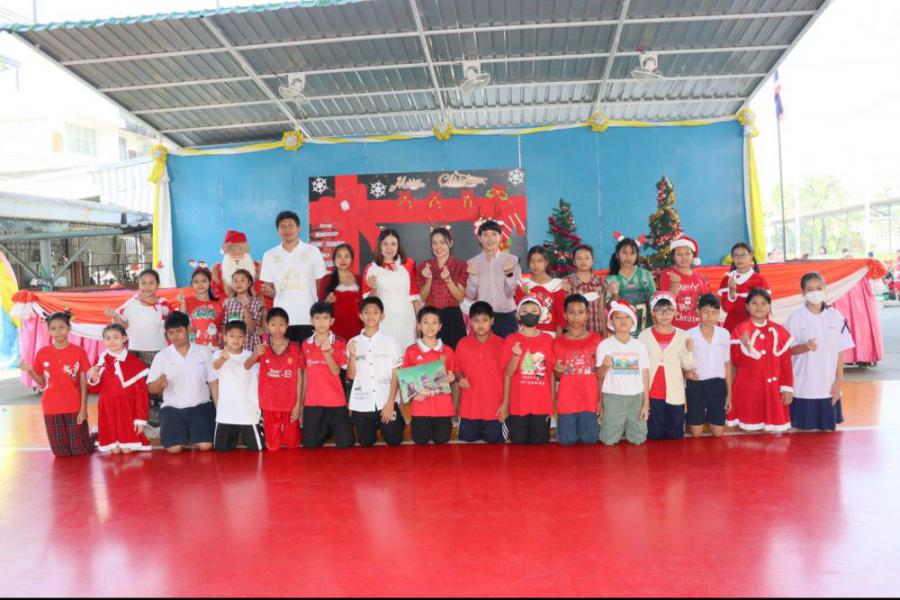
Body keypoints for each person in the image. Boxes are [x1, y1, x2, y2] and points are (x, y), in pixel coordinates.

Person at [105, 268, 174, 430]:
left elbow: (172, 327)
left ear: (158, 284)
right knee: (138, 389)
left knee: (160, 386)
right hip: (135, 354)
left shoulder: (164, 304)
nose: (147, 286)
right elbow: (123, 325)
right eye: (143, 283)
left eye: (151, 283)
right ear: (138, 285)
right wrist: (114, 316)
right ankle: (140, 422)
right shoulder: (131, 303)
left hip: (159, 353)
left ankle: (162, 424)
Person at [785, 272, 854, 431]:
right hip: (802, 387)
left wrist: (839, 381)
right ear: (802, 292)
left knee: (827, 436)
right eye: (810, 289)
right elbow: (788, 351)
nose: (815, 292)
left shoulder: (835, 316)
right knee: (800, 436)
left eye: (818, 288)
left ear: (825, 289)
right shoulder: (795, 317)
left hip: (828, 387)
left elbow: (840, 351)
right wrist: (806, 347)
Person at [19, 312, 93, 456]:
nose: (58, 331)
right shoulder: (42, 353)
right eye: (53, 328)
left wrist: (83, 409)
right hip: (51, 407)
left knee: (80, 450)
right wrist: (29, 371)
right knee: (61, 453)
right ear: (48, 331)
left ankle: (93, 437)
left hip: (74, 407)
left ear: (69, 328)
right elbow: (42, 382)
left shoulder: (79, 352)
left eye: (61, 327)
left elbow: (84, 384)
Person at [147, 311, 219, 453]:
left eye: (179, 331)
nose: (175, 336)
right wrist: (159, 385)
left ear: (189, 329)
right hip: (172, 408)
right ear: (166, 335)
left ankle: (193, 432)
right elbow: (151, 388)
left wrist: (219, 412)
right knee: (173, 449)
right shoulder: (162, 356)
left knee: (205, 446)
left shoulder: (204, 352)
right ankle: (183, 432)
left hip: (201, 407)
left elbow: (213, 383)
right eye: (171, 332)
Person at [726, 288, 793, 433]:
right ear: (747, 306)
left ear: (769, 306)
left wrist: (787, 388)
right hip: (749, 388)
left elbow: (786, 363)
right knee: (748, 430)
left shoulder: (779, 331)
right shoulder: (740, 329)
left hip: (773, 389)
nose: (759, 307)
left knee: (770, 433)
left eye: (763, 303)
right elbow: (736, 360)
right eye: (754, 303)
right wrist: (746, 346)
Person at [259, 211, 327, 344]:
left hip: (309, 317)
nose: (287, 230)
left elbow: (321, 284)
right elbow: (266, 289)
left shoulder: (312, 251)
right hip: (282, 320)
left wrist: (321, 313)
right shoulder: (269, 255)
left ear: (299, 228)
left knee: (309, 355)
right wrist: (270, 293)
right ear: (278, 230)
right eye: (283, 227)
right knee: (285, 356)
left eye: (291, 226)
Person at [346, 297, 406, 447]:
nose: (371, 316)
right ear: (360, 316)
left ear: (382, 316)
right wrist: (352, 355)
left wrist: (390, 402)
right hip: (363, 402)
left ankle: (397, 419)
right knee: (366, 442)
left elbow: (396, 375)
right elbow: (351, 376)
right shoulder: (353, 342)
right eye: (367, 312)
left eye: (375, 312)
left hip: (385, 400)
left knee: (394, 440)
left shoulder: (391, 342)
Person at [86, 324, 151, 453]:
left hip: (127, 409)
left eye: (116, 337)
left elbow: (141, 394)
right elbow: (94, 390)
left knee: (127, 450)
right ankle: (99, 433)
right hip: (107, 408)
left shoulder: (134, 362)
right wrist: (93, 378)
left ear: (124, 338)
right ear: (103, 341)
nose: (112, 341)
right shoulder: (100, 361)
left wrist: (140, 419)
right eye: (107, 338)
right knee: (114, 450)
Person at [638, 291, 694, 440]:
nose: (664, 314)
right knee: (654, 435)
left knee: (675, 435)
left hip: (675, 393)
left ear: (675, 312)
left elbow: (688, 366)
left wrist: (688, 351)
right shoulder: (644, 336)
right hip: (652, 393)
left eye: (669, 310)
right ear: (652, 312)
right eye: (659, 310)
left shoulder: (683, 336)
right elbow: (640, 366)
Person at [500, 297, 556, 445]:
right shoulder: (511, 339)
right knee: (518, 442)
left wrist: (552, 402)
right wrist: (515, 356)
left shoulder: (548, 339)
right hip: (518, 404)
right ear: (518, 315)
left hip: (541, 404)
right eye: (524, 311)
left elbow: (550, 373)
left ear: (540, 314)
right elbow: (508, 373)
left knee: (539, 444)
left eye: (534, 311)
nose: (529, 314)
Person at [247, 307, 303, 450]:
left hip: (290, 404)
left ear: (287, 325)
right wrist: (255, 354)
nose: (277, 329)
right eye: (273, 324)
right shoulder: (262, 348)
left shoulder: (295, 348)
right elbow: (247, 365)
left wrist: (299, 404)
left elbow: (300, 378)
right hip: (269, 404)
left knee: (292, 444)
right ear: (267, 325)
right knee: (272, 446)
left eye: (281, 324)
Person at [399, 306, 457, 445]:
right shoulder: (411, 351)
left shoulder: (448, 351)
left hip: (442, 407)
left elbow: (451, 375)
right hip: (421, 406)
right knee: (420, 441)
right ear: (419, 326)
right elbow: (406, 380)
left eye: (434, 322)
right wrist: (414, 393)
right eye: (426, 322)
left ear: (440, 326)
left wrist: (451, 378)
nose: (430, 326)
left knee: (442, 440)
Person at [596, 300, 650, 445]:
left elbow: (645, 375)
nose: (623, 321)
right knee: (608, 440)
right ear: (611, 321)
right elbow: (599, 376)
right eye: (618, 317)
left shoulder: (640, 346)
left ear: (633, 321)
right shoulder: (604, 345)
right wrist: (605, 366)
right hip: (613, 398)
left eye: (627, 317)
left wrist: (646, 404)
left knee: (639, 439)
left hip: (636, 398)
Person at [300, 302, 353, 449]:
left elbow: (336, 372)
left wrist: (327, 354)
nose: (321, 322)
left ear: (332, 320)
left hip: (335, 400)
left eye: (325, 318)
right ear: (311, 321)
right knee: (309, 444)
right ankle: (326, 429)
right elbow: (305, 374)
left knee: (346, 443)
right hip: (313, 401)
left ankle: (330, 427)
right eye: (317, 318)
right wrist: (302, 402)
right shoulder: (305, 344)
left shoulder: (339, 342)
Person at [552, 294, 602, 445]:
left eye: (580, 312)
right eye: (572, 312)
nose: (576, 317)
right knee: (566, 441)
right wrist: (558, 371)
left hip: (590, 400)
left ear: (587, 315)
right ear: (565, 315)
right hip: (566, 401)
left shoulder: (597, 340)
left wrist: (601, 400)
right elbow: (556, 376)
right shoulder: (557, 342)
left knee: (590, 440)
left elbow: (601, 374)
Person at [362, 228, 421, 352]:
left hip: (406, 318)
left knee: (406, 352)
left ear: (398, 246)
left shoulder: (409, 264)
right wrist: (373, 288)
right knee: (385, 353)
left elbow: (415, 296)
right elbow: (369, 304)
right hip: (384, 319)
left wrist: (419, 321)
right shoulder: (371, 268)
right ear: (379, 245)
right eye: (385, 244)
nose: (389, 248)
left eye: (393, 244)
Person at [455, 301, 506, 443]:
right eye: (476, 320)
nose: (480, 324)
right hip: (470, 407)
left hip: (495, 408)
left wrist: (506, 404)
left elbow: (509, 377)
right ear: (470, 322)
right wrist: (460, 378)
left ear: (492, 321)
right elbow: (457, 369)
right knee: (468, 437)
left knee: (494, 439)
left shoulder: (502, 344)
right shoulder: (462, 343)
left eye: (485, 320)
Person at [211, 320, 264, 452]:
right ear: (224, 337)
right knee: (221, 449)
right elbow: (215, 368)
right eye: (231, 336)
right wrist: (223, 358)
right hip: (226, 413)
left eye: (240, 336)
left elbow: (247, 366)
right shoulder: (218, 354)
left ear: (245, 338)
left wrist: (256, 355)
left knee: (256, 448)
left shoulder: (251, 355)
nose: (235, 340)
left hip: (248, 412)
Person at [685, 294, 732, 437]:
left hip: (718, 385)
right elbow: (682, 363)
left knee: (718, 433)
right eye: (705, 312)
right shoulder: (688, 335)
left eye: (714, 312)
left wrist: (729, 394)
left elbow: (727, 364)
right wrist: (686, 375)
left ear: (718, 314)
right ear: (697, 312)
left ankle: (708, 417)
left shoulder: (724, 334)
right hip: (696, 385)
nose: (709, 316)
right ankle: (696, 419)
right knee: (696, 433)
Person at [466, 220, 522, 337]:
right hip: (483, 317)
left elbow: (510, 293)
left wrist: (508, 273)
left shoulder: (512, 260)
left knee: (510, 347)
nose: (490, 239)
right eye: (485, 235)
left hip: (507, 315)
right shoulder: (472, 263)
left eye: (494, 234)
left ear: (500, 237)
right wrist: (473, 277)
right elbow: (470, 295)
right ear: (479, 238)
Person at [416, 227, 468, 348]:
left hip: (453, 317)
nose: (438, 246)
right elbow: (422, 297)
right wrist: (429, 278)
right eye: (434, 243)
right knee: (431, 354)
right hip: (431, 317)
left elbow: (460, 297)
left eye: (442, 242)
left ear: (451, 243)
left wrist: (448, 279)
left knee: (454, 353)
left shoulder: (460, 265)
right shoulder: (425, 266)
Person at [606, 237, 655, 337]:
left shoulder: (645, 275)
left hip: (646, 332)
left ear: (637, 256)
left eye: (632, 253)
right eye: (624, 253)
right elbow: (610, 307)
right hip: (623, 334)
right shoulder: (612, 279)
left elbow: (654, 302)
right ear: (617, 255)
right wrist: (615, 294)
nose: (628, 257)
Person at [658, 234, 709, 330]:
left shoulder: (700, 278)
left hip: (696, 329)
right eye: (679, 254)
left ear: (693, 255)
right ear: (673, 257)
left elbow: (706, 304)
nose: (684, 258)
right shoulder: (667, 274)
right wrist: (674, 285)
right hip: (674, 328)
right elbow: (665, 303)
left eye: (687, 254)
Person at [514, 245, 567, 337]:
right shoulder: (523, 284)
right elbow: (518, 313)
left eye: (539, 261)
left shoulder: (557, 285)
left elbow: (561, 316)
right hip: (527, 334)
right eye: (532, 261)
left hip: (550, 334)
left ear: (546, 262)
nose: (536, 265)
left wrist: (558, 338)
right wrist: (525, 294)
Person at [718, 242, 770, 333]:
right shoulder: (727, 279)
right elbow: (726, 308)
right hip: (733, 326)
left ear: (751, 256)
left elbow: (764, 310)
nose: (739, 259)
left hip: (754, 326)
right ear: (732, 258)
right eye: (736, 255)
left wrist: (763, 329)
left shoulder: (760, 280)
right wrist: (732, 291)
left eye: (743, 255)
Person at [318, 243, 362, 344]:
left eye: (346, 256)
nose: (343, 260)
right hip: (333, 329)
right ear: (334, 260)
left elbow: (365, 306)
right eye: (339, 256)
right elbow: (319, 307)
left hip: (357, 329)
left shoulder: (359, 280)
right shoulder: (327, 280)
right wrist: (327, 302)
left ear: (352, 259)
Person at [211, 230, 265, 305]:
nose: (236, 256)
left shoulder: (258, 268)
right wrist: (226, 301)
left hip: (252, 305)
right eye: (233, 254)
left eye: (240, 254)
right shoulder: (217, 270)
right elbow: (215, 291)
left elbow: (262, 290)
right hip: (227, 307)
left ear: (245, 253)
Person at [563, 244, 606, 336]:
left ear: (593, 260)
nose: (583, 261)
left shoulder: (600, 281)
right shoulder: (567, 282)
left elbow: (601, 309)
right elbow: (564, 308)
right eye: (579, 258)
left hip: (596, 330)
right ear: (574, 262)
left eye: (587, 258)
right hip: (574, 333)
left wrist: (605, 334)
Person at [178, 266, 224, 349]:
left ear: (210, 283)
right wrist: (182, 305)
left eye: (204, 281)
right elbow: (181, 324)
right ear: (191, 284)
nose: (200, 285)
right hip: (192, 348)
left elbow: (222, 329)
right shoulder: (186, 301)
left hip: (213, 348)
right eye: (196, 282)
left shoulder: (218, 305)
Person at [222, 269, 266, 352]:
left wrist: (245, 308)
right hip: (232, 349)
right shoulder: (228, 303)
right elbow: (225, 327)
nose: (238, 284)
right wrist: (225, 345)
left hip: (250, 347)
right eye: (235, 281)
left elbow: (252, 328)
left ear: (249, 283)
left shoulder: (256, 302)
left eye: (242, 280)